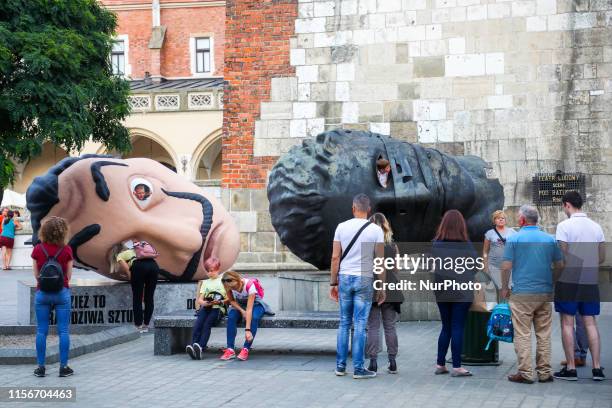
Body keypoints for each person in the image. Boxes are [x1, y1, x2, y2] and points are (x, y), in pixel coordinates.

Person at [501, 205, 564, 384]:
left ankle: (526, 373)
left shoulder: (514, 239)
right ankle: (544, 372)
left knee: (522, 333)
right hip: (544, 293)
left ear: (522, 220)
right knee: (543, 333)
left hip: (522, 294)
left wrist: (504, 287)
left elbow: (506, 267)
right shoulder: (549, 239)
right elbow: (560, 265)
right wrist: (552, 282)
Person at [330, 193, 385, 379]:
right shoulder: (376, 230)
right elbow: (380, 261)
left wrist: (333, 282)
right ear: (369, 210)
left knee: (344, 323)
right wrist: (382, 287)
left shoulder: (341, 227)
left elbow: (335, 257)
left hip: (345, 277)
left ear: (353, 208)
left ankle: (340, 366)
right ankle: (359, 369)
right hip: (364, 278)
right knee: (361, 324)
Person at [553, 191, 605, 381]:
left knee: (567, 323)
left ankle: (571, 368)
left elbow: (562, 257)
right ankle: (597, 368)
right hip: (589, 280)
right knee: (590, 322)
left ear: (567, 205)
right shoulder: (596, 227)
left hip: (569, 280)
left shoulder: (564, 226)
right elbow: (601, 257)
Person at [432, 210, 477, 377]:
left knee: (446, 327)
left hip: (442, 289)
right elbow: (475, 267)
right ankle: (457, 366)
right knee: (458, 327)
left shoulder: (436, 244)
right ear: (461, 225)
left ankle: (440, 364)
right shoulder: (466, 244)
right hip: (461, 290)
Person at [31, 216, 74, 377]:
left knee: (41, 331)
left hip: (42, 293)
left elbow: (36, 274)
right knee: (63, 330)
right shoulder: (67, 250)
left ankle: (41, 368)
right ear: (63, 231)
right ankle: (63, 368)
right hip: (61, 292)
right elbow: (68, 275)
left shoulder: (37, 249)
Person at [366, 212, 403, 374]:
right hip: (391, 288)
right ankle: (392, 362)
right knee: (390, 326)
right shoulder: (393, 245)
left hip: (372, 286)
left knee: (373, 326)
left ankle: (373, 362)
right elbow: (396, 268)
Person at [220, 271, 267, 361]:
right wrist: (241, 311)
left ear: (237, 280)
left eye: (234, 287)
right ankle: (230, 349)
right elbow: (232, 301)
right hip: (240, 305)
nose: (233, 289)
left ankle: (246, 349)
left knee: (254, 317)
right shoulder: (227, 285)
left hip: (256, 304)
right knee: (231, 316)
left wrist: (247, 330)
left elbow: (249, 309)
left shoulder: (249, 285)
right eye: (230, 287)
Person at [186, 257, 226, 360]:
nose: (209, 273)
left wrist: (220, 301)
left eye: (211, 271)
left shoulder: (223, 281)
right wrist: (205, 303)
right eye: (207, 271)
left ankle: (201, 346)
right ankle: (194, 345)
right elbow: (200, 300)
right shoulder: (206, 282)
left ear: (218, 269)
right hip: (207, 307)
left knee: (207, 325)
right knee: (198, 324)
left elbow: (229, 299)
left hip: (218, 308)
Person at [116, 241, 160, 333]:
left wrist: (129, 274)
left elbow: (119, 258)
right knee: (149, 298)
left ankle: (139, 325)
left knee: (137, 298)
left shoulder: (128, 252)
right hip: (153, 266)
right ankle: (146, 325)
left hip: (139, 267)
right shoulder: (147, 248)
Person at [483, 210, 516, 289]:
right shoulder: (489, 233)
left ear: (505, 220)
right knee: (495, 289)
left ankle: (505, 302)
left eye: (502, 218)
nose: (501, 219)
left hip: (509, 266)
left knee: (508, 289)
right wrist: (485, 267)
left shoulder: (513, 232)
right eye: (498, 218)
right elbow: (485, 252)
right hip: (494, 266)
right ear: (494, 221)